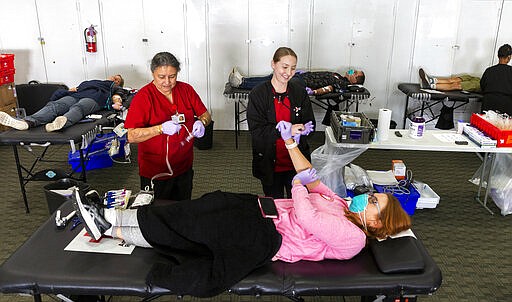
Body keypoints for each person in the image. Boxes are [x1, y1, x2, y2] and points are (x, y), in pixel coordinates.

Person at [71, 120, 412, 297]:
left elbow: (306, 212)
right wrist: (291, 144)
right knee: (203, 206)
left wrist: (297, 185)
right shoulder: (344, 206)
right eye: (372, 195)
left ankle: (111, 224)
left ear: (377, 224)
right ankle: (108, 220)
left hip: (267, 236)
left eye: (373, 203)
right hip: (263, 211)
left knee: (194, 228)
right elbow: (315, 183)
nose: (366, 198)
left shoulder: (353, 237)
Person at [124, 52, 212, 201]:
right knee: (157, 213)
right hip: (155, 171)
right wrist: (160, 129)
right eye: (161, 77)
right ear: (153, 74)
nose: (167, 82)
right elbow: (131, 136)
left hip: (184, 166)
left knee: (183, 208)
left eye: (172, 76)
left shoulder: (186, 90)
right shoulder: (144, 97)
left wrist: (202, 122)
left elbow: (205, 115)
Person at [246, 47, 316, 199]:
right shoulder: (258, 94)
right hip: (270, 164)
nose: (288, 72)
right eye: (284, 67)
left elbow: (311, 123)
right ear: (273, 64)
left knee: (299, 203)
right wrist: (285, 132)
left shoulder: (299, 92)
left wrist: (304, 130)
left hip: (297, 163)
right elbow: (257, 132)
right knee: (275, 205)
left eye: (293, 68)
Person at [0, 75, 127, 132]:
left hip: (95, 99)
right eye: (114, 76)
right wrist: (70, 90)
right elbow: (72, 90)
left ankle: (62, 122)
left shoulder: (112, 87)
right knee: (55, 106)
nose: (114, 79)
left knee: (79, 107)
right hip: (75, 95)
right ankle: (27, 122)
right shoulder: (92, 81)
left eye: (117, 79)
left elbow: (120, 94)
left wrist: (116, 99)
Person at [229, 66, 366, 95]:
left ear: (354, 80)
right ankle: (244, 80)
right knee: (272, 77)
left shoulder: (342, 84)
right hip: (302, 77)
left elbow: (329, 89)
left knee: (272, 82)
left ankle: (241, 84)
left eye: (354, 73)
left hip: (302, 83)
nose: (352, 71)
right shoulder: (339, 76)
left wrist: (313, 92)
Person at [480, 43, 512, 115]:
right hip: (506, 106)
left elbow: (482, 85)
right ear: (509, 57)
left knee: (485, 125)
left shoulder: (489, 70)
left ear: (498, 56)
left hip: (487, 104)